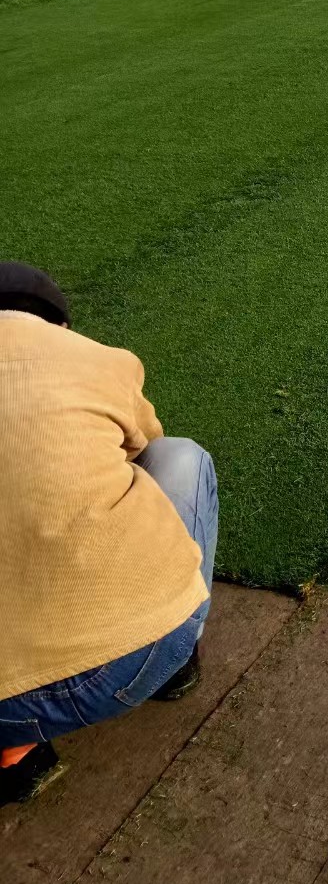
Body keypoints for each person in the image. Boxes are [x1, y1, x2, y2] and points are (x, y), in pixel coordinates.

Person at [0, 262, 218, 807]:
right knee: (178, 459)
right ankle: (176, 661)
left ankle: (14, 753)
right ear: (60, 326)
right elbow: (144, 445)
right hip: (122, 668)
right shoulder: (95, 359)